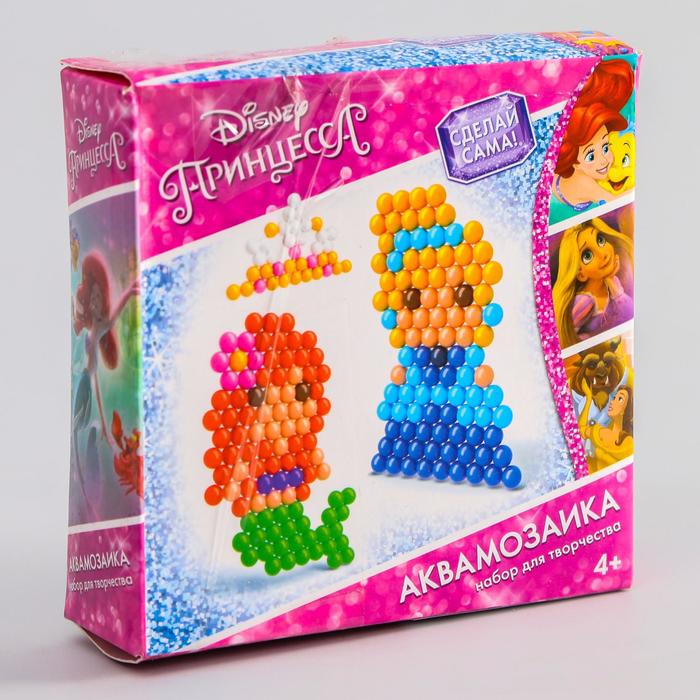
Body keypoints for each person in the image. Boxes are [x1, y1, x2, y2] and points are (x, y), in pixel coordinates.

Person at [550, 59, 634, 224]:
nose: (604, 160)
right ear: (572, 159)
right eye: (590, 156)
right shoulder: (584, 182)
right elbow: (617, 203)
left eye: (605, 147)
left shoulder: (566, 170)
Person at [552, 218, 633, 348]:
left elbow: (630, 314)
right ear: (581, 274)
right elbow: (568, 340)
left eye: (600, 240)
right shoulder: (584, 302)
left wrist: (612, 282)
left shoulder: (613, 285)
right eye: (587, 255)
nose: (603, 254)